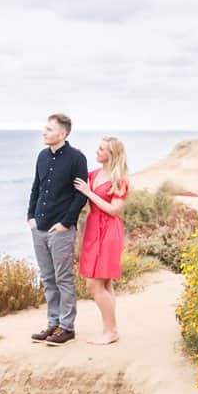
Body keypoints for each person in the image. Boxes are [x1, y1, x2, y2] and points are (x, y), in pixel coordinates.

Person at [27, 113, 88, 346]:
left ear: (62, 134)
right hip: (39, 228)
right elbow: (36, 188)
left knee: (63, 279)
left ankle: (66, 327)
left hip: (61, 230)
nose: (44, 132)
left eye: (49, 129)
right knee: (48, 278)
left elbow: (80, 194)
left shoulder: (76, 158)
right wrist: (30, 216)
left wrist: (65, 223)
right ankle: (52, 324)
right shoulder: (42, 156)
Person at [74, 136, 129, 345]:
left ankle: (111, 331)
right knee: (105, 283)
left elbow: (115, 209)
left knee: (93, 284)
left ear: (111, 154)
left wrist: (89, 193)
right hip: (92, 229)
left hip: (109, 230)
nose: (97, 152)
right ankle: (110, 329)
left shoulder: (120, 178)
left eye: (101, 149)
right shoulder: (93, 174)